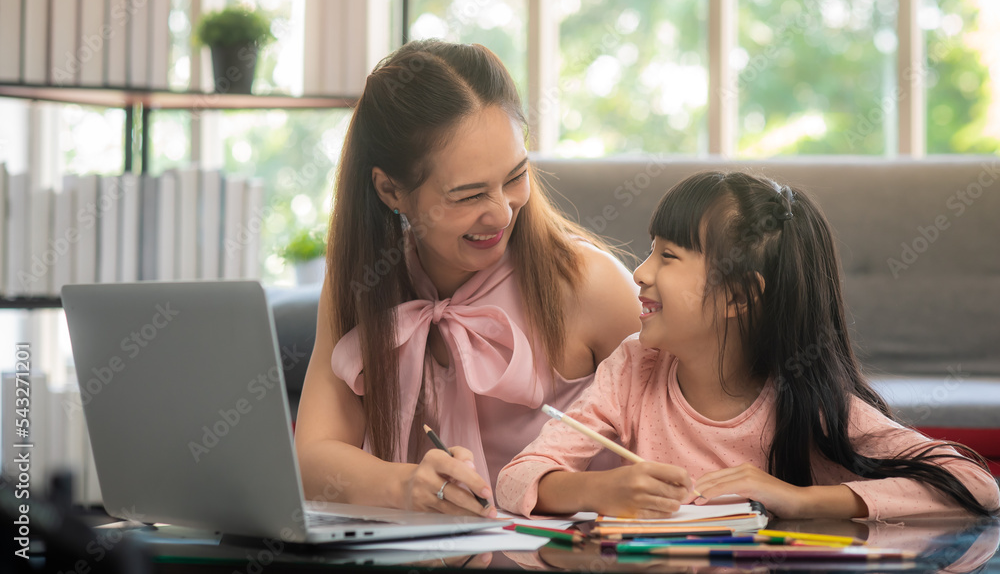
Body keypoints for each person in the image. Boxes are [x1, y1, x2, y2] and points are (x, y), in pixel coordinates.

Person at [496, 171, 1000, 520]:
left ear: (738, 295)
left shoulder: (805, 398)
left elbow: (973, 483)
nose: (640, 273)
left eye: (668, 257)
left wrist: (798, 500)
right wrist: (598, 489)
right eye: (650, 251)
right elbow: (516, 479)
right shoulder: (634, 365)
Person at [293, 40, 640, 518]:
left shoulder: (589, 284)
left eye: (515, 176)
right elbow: (312, 459)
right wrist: (404, 484)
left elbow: (683, 447)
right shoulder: (361, 285)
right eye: (468, 195)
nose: (500, 212)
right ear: (390, 189)